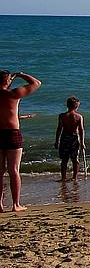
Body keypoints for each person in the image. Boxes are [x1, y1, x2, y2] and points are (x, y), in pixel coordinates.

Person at [0, 70, 43, 212]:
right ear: (7, 80)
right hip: (12, 133)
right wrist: (20, 74)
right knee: (13, 170)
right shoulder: (13, 94)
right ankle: (15, 204)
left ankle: (0, 204)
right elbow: (36, 83)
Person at [55, 96, 86, 181]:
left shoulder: (62, 116)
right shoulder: (79, 117)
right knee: (75, 159)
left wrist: (57, 141)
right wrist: (82, 142)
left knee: (64, 160)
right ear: (76, 106)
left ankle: (63, 177)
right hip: (74, 138)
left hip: (64, 138)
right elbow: (81, 130)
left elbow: (59, 129)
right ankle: (74, 177)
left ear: (67, 105)